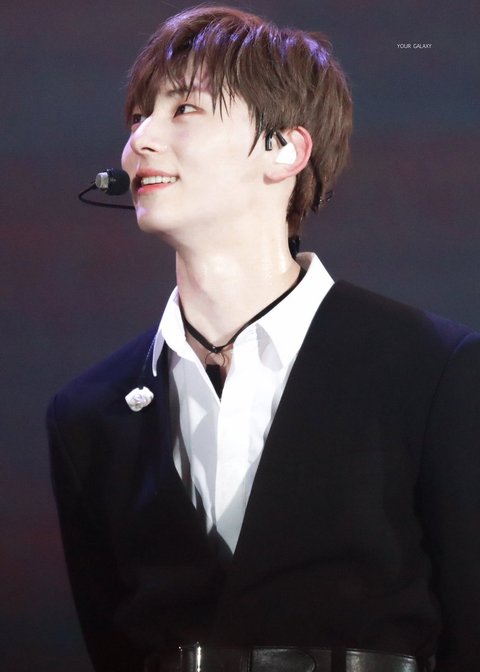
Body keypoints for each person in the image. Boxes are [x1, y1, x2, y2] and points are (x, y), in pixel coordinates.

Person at [47, 5, 480, 672]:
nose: (140, 142)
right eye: (137, 118)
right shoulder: (88, 414)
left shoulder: (433, 369)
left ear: (285, 150)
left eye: (184, 109)